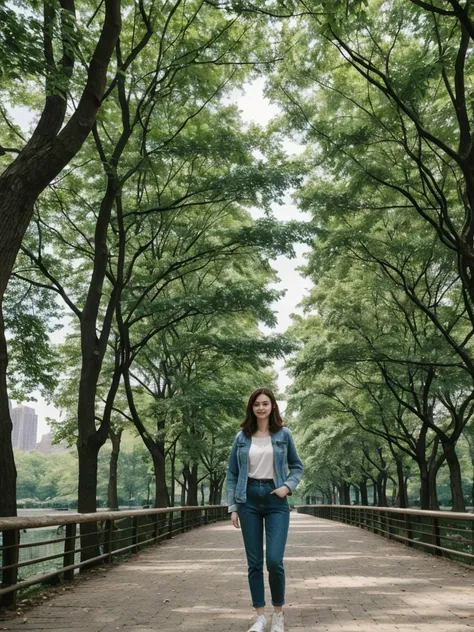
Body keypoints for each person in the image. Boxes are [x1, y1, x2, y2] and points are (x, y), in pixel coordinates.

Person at [226, 388, 304, 632]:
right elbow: (232, 474)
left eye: (265, 403)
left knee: (274, 560)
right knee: (254, 562)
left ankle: (278, 614)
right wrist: (233, 507)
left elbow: (297, 467)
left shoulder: (283, 434)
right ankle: (260, 617)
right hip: (247, 499)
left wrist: (286, 488)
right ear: (251, 407)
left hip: (275, 501)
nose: (261, 408)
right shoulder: (241, 437)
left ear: (272, 407)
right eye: (256, 404)